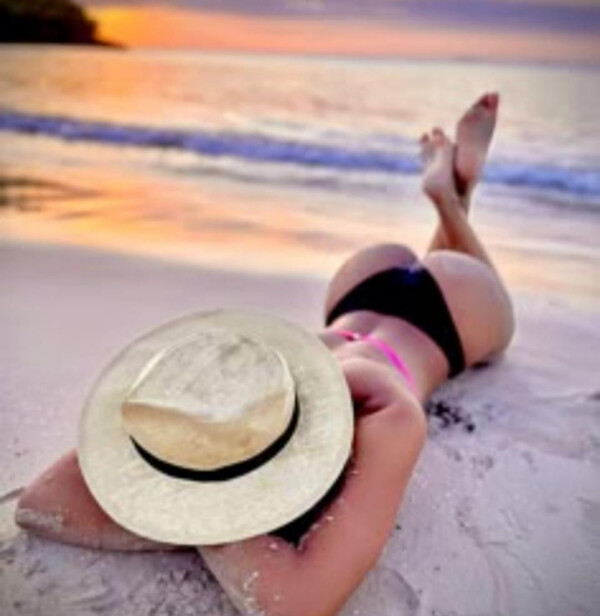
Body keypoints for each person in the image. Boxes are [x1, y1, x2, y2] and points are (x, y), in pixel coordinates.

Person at [15, 93, 514, 616]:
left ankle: (453, 202)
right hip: (376, 300)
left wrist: (194, 501)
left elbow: (297, 603)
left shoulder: (384, 410)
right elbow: (39, 505)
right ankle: (453, 196)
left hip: (428, 313)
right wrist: (200, 480)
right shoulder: (236, 404)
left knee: (494, 337)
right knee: (461, 275)